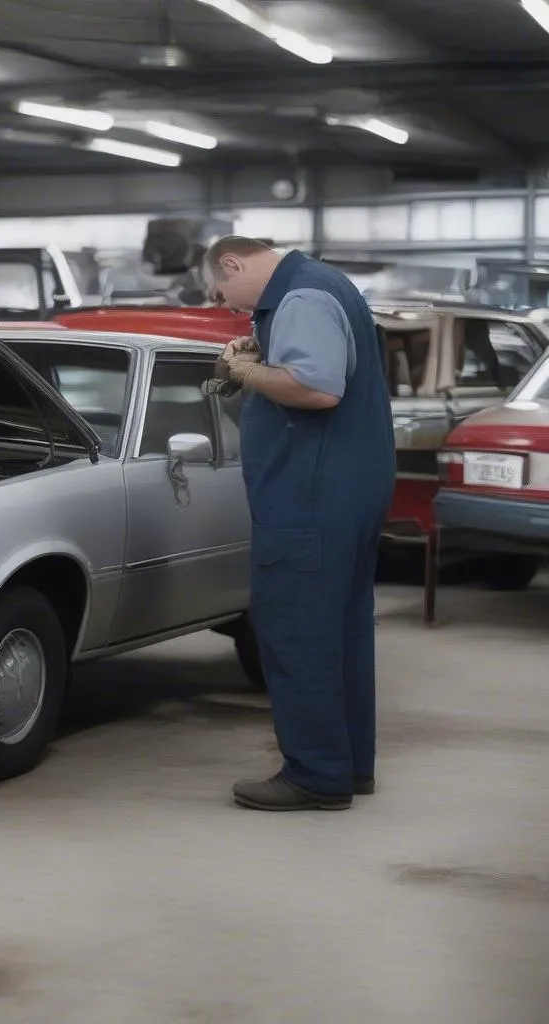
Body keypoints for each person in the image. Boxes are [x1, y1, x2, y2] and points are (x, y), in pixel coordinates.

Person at [206, 237, 396, 811]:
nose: (227, 306)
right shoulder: (324, 284)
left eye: (222, 291)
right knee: (340, 634)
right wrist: (262, 361)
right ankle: (348, 765)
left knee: (296, 633)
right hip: (346, 491)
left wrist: (242, 368)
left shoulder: (301, 297)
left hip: (308, 498)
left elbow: (316, 389)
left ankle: (314, 775)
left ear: (234, 264)